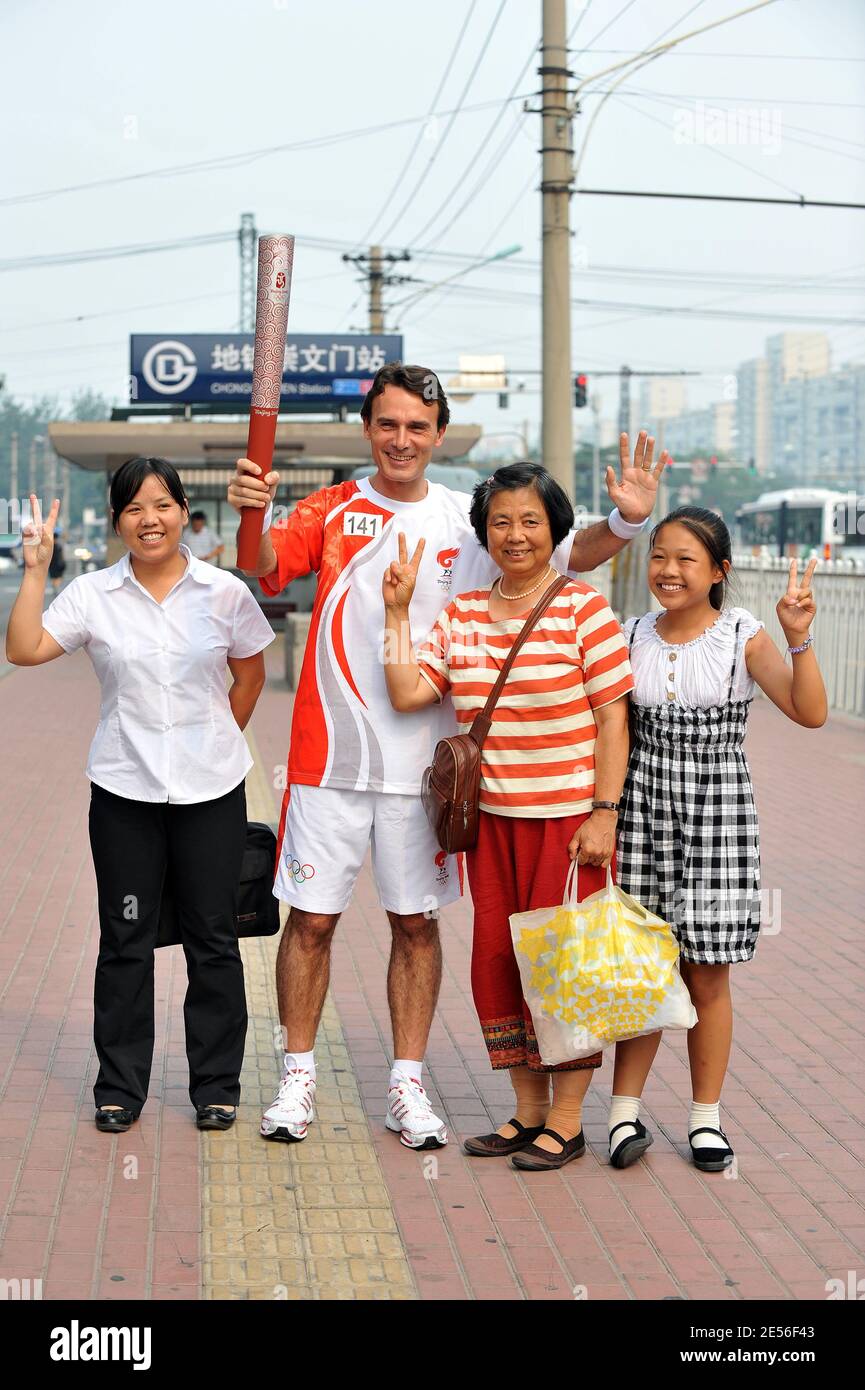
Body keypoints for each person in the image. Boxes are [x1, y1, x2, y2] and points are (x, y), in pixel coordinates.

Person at [227, 361, 666, 1151]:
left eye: (417, 427)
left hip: (429, 781)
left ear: (437, 435)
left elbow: (559, 555)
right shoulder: (329, 509)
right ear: (368, 429)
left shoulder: (469, 525)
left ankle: (406, 1084)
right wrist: (251, 515)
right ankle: (295, 1079)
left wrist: (627, 524)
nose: (401, 439)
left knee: (416, 928)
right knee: (311, 924)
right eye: (388, 424)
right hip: (327, 761)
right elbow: (258, 566)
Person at [5, 458, 275, 1133]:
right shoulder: (95, 595)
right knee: (125, 938)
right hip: (124, 792)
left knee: (213, 940)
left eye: (160, 505)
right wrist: (37, 567)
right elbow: (25, 649)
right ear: (120, 519)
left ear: (184, 510)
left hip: (210, 793)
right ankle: (120, 1088)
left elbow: (248, 677)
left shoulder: (224, 592)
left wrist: (209, 741)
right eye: (133, 509)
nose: (147, 519)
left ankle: (216, 1086)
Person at [382, 462, 633, 1170]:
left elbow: (613, 720)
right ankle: (525, 1112)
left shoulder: (582, 609)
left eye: (530, 521)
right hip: (488, 824)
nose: (515, 535)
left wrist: (603, 813)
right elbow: (408, 693)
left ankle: (566, 1120)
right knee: (497, 964)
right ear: (482, 533)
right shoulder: (459, 615)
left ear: (555, 528)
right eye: (499, 522)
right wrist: (398, 615)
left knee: (565, 968)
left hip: (566, 824)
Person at [609, 506, 827, 1172]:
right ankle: (622, 1115)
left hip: (717, 809)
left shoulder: (741, 634)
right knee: (641, 964)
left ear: (718, 572)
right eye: (659, 557)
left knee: (706, 970)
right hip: (640, 806)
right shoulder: (629, 634)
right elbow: (610, 730)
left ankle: (705, 1119)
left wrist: (797, 638)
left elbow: (809, 712)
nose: (668, 572)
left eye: (685, 560)